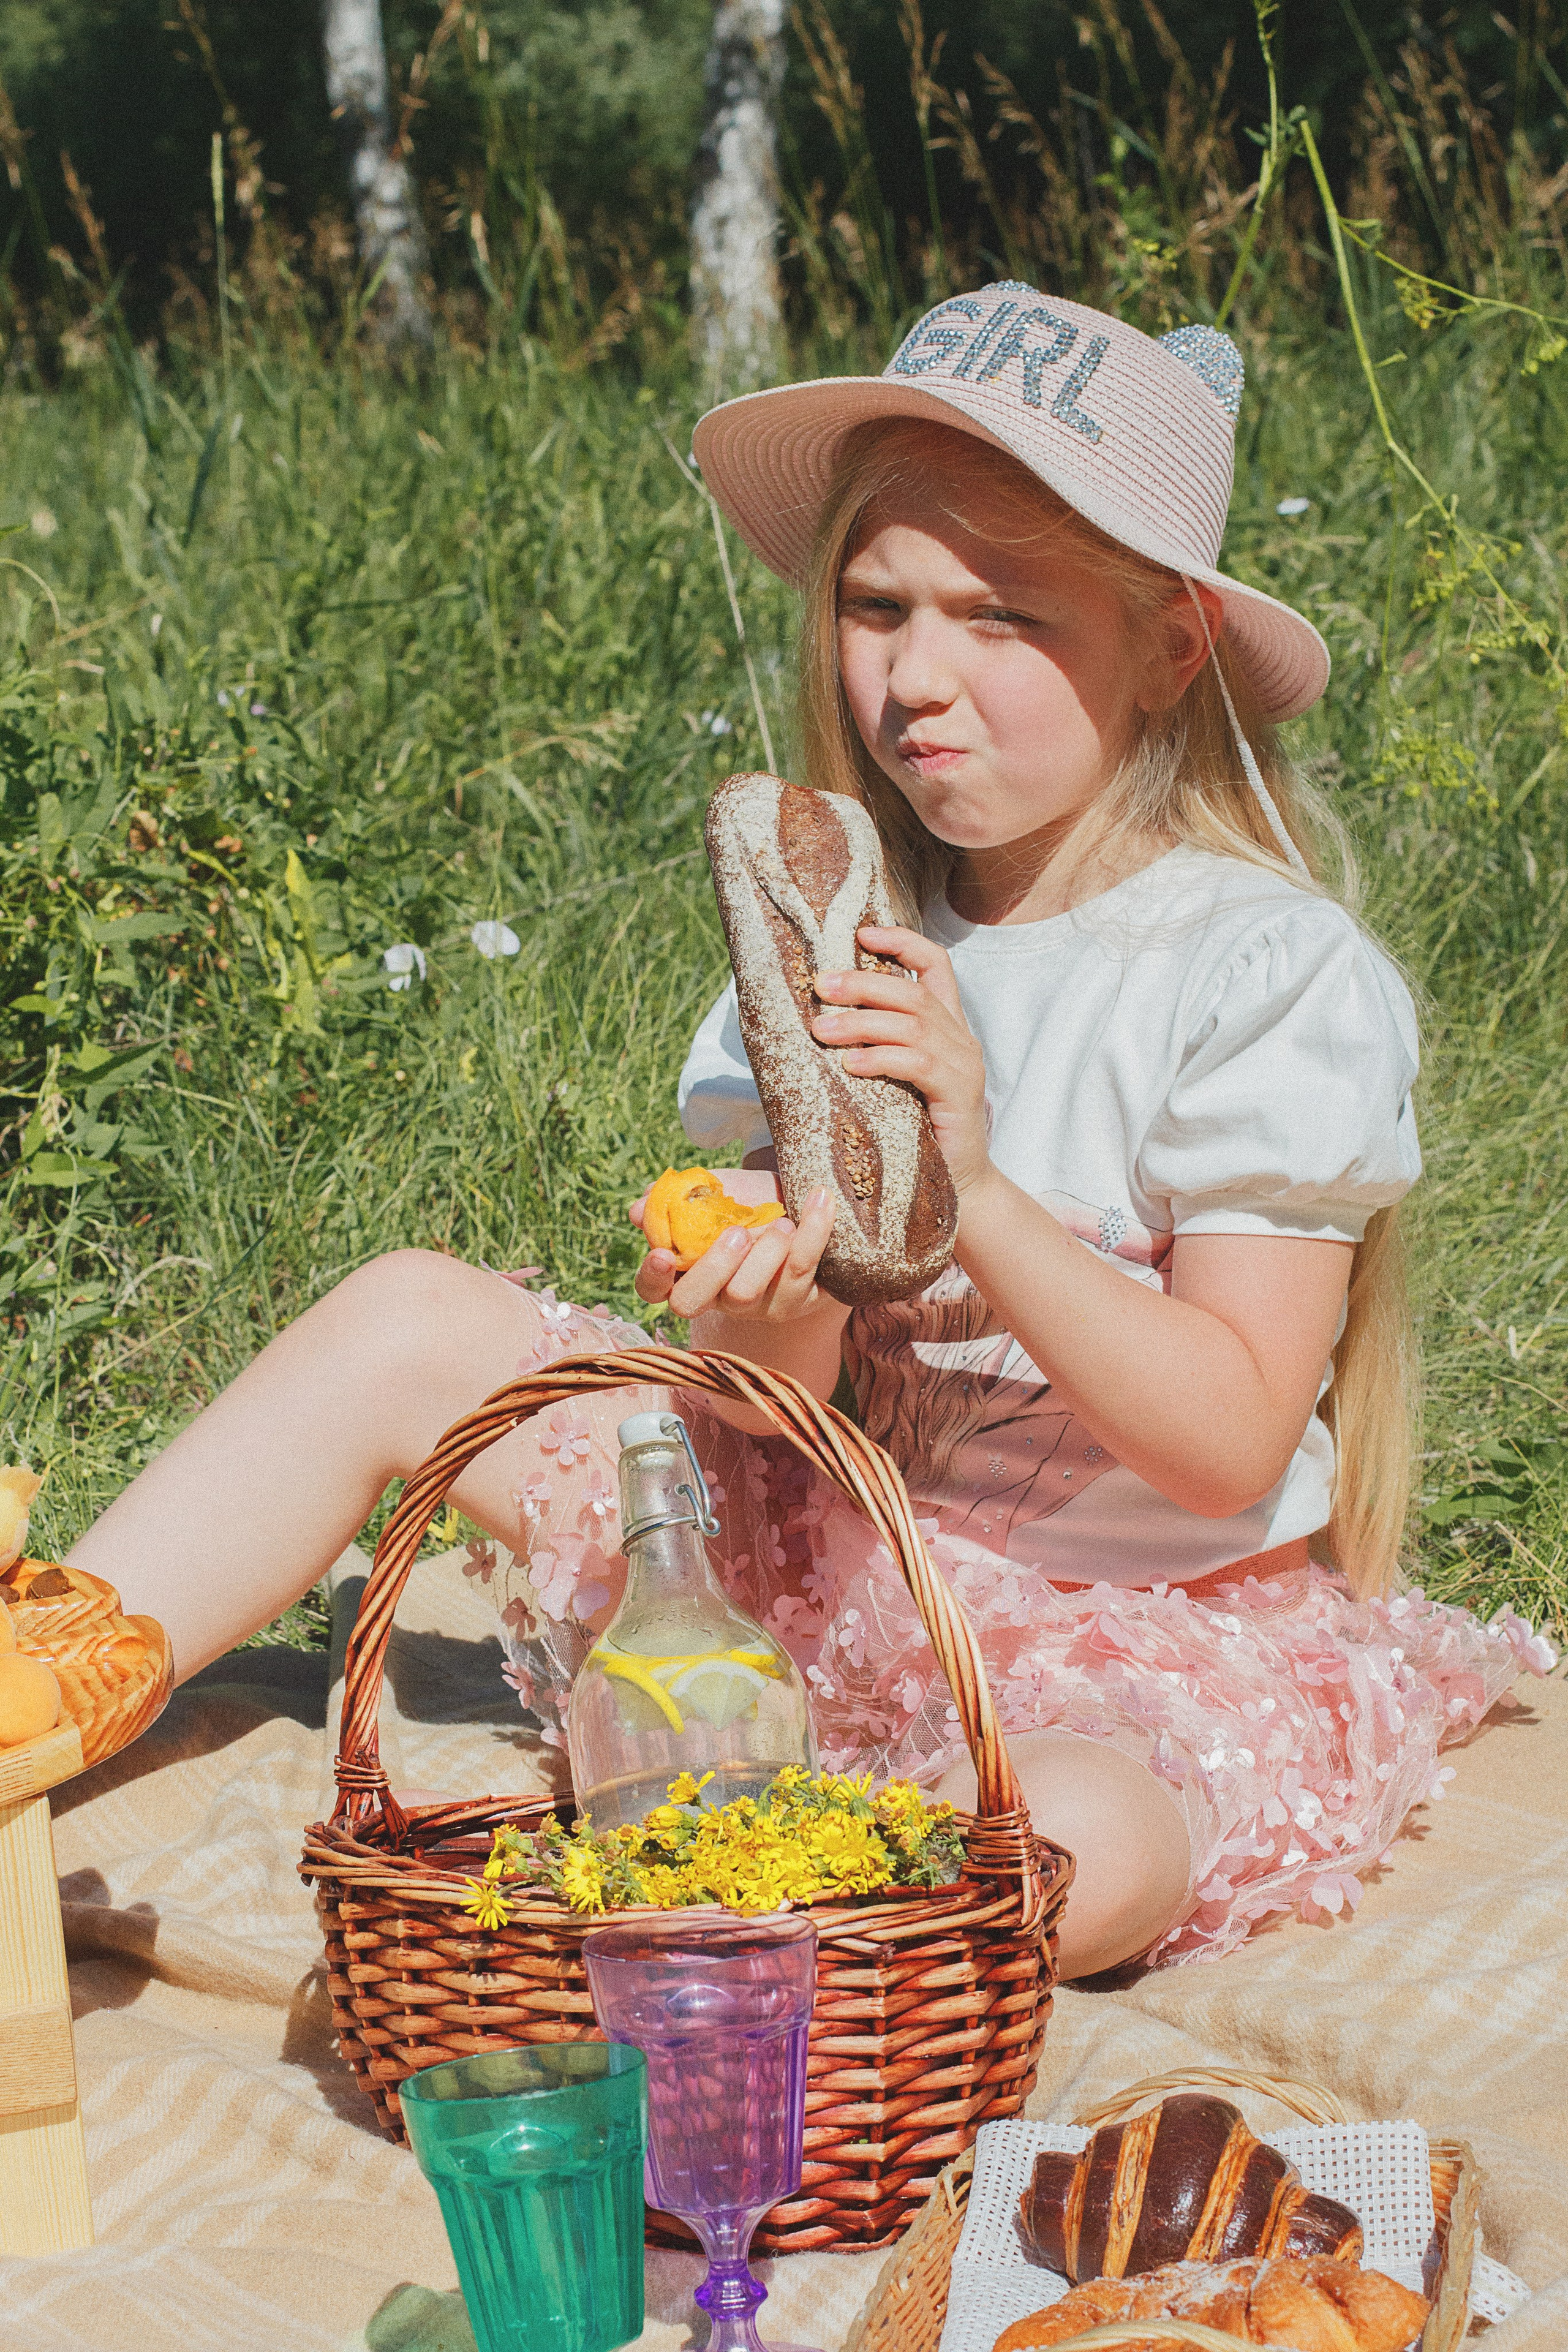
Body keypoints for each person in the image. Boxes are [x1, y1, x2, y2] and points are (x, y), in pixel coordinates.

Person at [72, 286, 1551, 1981]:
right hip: (816, 1553)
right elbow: (782, 1398)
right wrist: (762, 1278)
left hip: (1126, 1640)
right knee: (412, 1314)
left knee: (1085, 1837)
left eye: (1005, 617)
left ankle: (792, 1932)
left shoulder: (1258, 970)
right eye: (878, 605)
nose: (919, 677)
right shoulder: (825, 931)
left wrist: (966, 1184)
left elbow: (1223, 1442)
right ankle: (51, 1691)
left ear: (1170, 647)